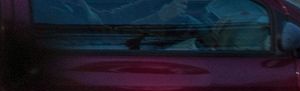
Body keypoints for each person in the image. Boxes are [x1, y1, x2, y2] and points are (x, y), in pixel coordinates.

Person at [35, 0, 187, 26]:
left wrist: (149, 3)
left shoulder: (67, 3)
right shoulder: (51, 12)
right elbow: (111, 40)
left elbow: (107, 18)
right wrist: (160, 17)